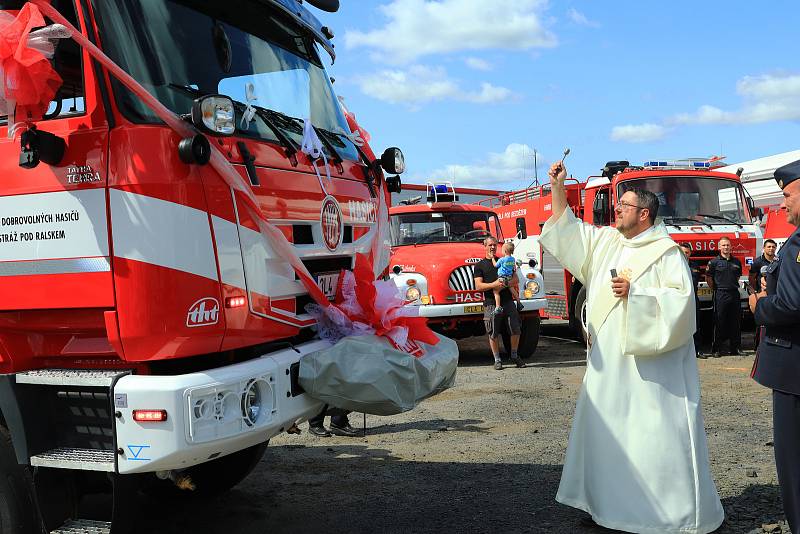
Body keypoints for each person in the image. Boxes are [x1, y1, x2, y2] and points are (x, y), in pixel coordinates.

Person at [538, 161, 724, 533]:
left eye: (623, 205)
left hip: (650, 373)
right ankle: (608, 506)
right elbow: (567, 230)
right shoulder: (608, 243)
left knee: (651, 439)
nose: (616, 209)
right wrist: (557, 186)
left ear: (644, 213)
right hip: (610, 370)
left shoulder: (665, 253)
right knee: (611, 435)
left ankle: (665, 514)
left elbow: (682, 308)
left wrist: (636, 295)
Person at [748, 159, 800, 534]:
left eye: (787, 195)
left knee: (794, 463)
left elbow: (792, 305)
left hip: (794, 370)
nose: (782, 205)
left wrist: (759, 306)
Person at [474, 236, 526, 370]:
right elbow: (479, 286)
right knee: (493, 332)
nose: (492, 247)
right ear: (484, 246)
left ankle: (514, 355)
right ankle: (497, 360)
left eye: (494, 245)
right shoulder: (479, 266)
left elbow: (516, 279)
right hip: (491, 303)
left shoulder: (504, 260)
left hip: (508, 301)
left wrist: (506, 283)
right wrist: (495, 284)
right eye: (490, 245)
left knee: (516, 329)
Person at [706, 237, 743, 356]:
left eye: (728, 245)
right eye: (723, 245)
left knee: (735, 321)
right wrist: (716, 289)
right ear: (719, 247)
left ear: (731, 247)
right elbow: (709, 279)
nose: (726, 247)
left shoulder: (736, 262)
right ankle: (717, 349)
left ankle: (735, 348)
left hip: (734, 293)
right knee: (719, 321)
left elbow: (737, 277)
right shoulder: (714, 262)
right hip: (721, 293)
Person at [749, 239, 777, 348]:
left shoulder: (778, 260)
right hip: (762, 296)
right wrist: (756, 293)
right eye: (769, 247)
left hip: (774, 296)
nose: (771, 249)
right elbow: (751, 278)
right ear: (764, 248)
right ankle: (758, 345)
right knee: (760, 321)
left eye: (773, 247)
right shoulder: (757, 262)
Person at [680, 243, 707, 358]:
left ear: (690, 253)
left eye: (687, 252)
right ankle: (680, 352)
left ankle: (697, 350)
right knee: (680, 325)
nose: (685, 254)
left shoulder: (695, 266)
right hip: (679, 300)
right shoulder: (674, 265)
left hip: (693, 298)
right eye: (682, 252)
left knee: (696, 324)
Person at [492, 241, 522, 315]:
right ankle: (519, 302)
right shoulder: (513, 259)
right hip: (509, 277)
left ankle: (498, 307)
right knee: (512, 289)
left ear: (505, 251)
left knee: (496, 291)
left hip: (502, 278)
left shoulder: (502, 259)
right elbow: (513, 268)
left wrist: (492, 258)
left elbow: (495, 265)